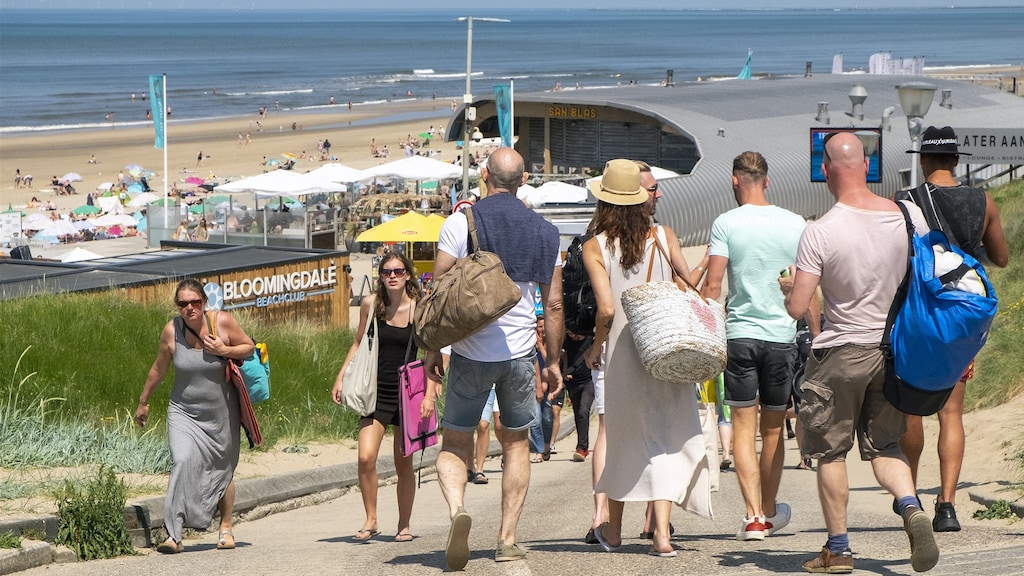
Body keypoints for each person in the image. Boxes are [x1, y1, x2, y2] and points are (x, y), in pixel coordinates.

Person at [780, 132, 938, 573]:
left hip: (840, 354)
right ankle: (910, 506)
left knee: (830, 452)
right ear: (866, 168)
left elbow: (798, 307)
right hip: (892, 353)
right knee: (886, 444)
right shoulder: (908, 218)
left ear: (826, 170)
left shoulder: (820, 230)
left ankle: (840, 548)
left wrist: (791, 287)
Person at [423, 147, 563, 569]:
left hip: (469, 352)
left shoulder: (460, 222)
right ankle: (506, 540)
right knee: (517, 443)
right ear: (523, 180)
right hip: (520, 354)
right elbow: (553, 304)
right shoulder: (545, 230)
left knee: (455, 440)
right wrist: (553, 361)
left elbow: (438, 290)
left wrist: (433, 348)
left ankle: (456, 510)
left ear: (484, 176)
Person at [581, 159, 712, 557]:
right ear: (640, 199)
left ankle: (615, 531)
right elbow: (687, 286)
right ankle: (662, 536)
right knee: (664, 440)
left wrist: (593, 348)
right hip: (664, 350)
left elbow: (605, 309)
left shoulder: (594, 245)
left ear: (604, 201)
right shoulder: (662, 235)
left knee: (623, 439)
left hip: (623, 353)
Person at [700, 151, 819, 541]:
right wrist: (816, 338)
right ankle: (769, 510)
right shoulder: (795, 223)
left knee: (741, 428)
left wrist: (703, 329)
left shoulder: (726, 223)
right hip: (782, 339)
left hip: (739, 336)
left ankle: (752, 518)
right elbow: (807, 285)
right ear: (767, 181)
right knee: (772, 430)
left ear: (735, 181)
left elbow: (714, 286)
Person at [897, 126, 1009, 532]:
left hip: (918, 320)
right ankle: (947, 505)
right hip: (960, 319)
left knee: (911, 409)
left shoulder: (905, 202)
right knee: (951, 413)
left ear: (924, 160)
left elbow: (894, 262)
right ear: (957, 160)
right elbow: (1001, 257)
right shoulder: (983, 201)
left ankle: (908, 498)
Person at [134, 278, 255, 554]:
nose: (189, 308)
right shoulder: (171, 331)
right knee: (182, 460)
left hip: (221, 412)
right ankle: (173, 535)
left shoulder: (222, 322)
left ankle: (225, 527)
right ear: (177, 306)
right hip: (183, 411)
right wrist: (143, 401)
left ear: (204, 303)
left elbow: (248, 347)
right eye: (183, 303)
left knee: (221, 469)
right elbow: (158, 369)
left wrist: (224, 350)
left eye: (195, 302)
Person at [331, 253, 424, 543]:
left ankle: (404, 524)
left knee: (403, 463)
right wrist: (341, 376)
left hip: (408, 393)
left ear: (408, 274)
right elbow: (358, 341)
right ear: (380, 275)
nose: (392, 276)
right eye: (386, 272)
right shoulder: (372, 305)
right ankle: (371, 518)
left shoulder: (419, 308)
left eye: (398, 270)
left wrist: (433, 387)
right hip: (376, 390)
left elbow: (433, 346)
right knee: (366, 456)